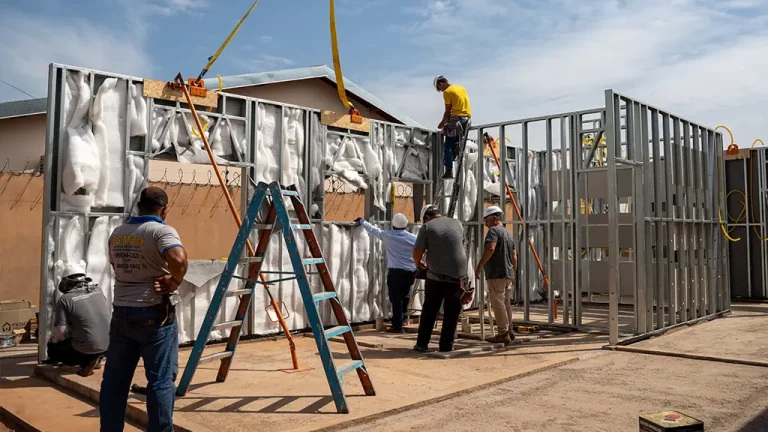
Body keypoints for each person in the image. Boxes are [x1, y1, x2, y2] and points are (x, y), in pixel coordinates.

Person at [100, 187, 188, 432]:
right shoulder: (161, 231)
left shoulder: (118, 233)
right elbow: (179, 260)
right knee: (160, 381)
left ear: (139, 206)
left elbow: (113, 262)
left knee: (115, 381)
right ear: (163, 210)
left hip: (122, 313)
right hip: (154, 313)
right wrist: (174, 281)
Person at [412, 204, 468, 353]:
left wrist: (418, 264)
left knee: (430, 310)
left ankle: (422, 344)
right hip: (459, 277)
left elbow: (418, 251)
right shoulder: (457, 223)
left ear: (427, 217)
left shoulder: (427, 227)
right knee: (452, 313)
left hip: (437, 277)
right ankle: (446, 346)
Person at [355, 213, 417, 333]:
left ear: (393, 225)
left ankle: (397, 325)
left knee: (396, 298)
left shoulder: (387, 236)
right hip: (410, 272)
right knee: (405, 295)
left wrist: (362, 221)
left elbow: (373, 230)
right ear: (406, 225)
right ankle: (403, 318)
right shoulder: (413, 238)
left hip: (395, 273)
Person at [44, 272, 110, 377]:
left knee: (53, 347)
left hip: (86, 348)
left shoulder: (64, 299)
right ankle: (97, 359)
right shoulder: (98, 291)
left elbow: (60, 331)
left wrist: (54, 340)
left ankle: (86, 363)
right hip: (108, 346)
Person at [475, 206, 517, 345]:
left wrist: (480, 265)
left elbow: (490, 248)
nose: (485, 223)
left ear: (494, 218)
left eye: (486, 220)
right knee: (506, 303)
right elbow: (514, 256)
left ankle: (502, 332)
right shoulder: (508, 233)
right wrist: (513, 272)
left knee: (497, 303)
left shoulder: (493, 231)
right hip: (507, 274)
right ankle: (509, 330)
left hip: (496, 274)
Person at [434, 75, 472, 180]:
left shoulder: (447, 92)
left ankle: (449, 170)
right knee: (456, 143)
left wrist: (442, 124)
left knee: (448, 145)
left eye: (440, 89)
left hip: (457, 119)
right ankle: (455, 152)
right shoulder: (461, 88)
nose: (441, 91)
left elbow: (447, 111)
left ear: (441, 84)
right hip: (467, 120)